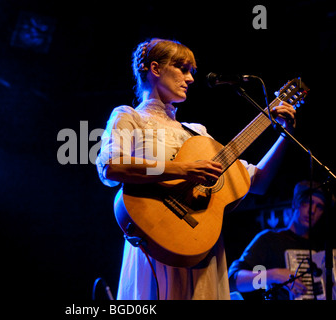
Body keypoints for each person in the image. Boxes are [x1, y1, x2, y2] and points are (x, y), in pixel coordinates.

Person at [95, 38, 296, 300]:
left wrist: (284, 136)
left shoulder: (197, 132)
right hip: (155, 240)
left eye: (193, 71)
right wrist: (184, 169)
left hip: (201, 246)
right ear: (155, 69)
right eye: (183, 68)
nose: (190, 78)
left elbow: (257, 181)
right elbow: (112, 167)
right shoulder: (129, 116)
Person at [228, 180, 328, 300]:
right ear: (295, 203)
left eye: (320, 206)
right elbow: (233, 281)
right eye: (307, 202)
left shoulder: (324, 246)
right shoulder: (269, 239)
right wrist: (273, 275)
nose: (312, 210)